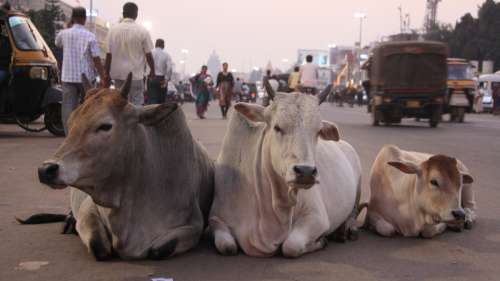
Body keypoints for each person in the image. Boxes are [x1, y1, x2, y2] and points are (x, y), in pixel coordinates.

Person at [55, 7, 106, 135]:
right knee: (89, 108)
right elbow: (96, 58)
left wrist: (68, 26)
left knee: (68, 109)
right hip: (86, 79)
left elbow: (58, 44)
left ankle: (69, 136)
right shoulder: (90, 36)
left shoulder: (63, 34)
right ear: (84, 19)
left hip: (68, 77)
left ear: (72, 18)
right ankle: (87, 135)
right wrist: (103, 75)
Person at [105, 2, 155, 106]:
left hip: (118, 77)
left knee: (119, 105)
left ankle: (121, 122)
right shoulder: (143, 31)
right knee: (136, 105)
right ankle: (135, 122)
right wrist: (152, 71)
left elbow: (108, 55)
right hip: (136, 76)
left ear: (123, 14)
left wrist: (106, 74)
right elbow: (148, 55)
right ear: (136, 15)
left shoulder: (112, 31)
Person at [146, 38, 172, 104]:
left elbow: (144, 65)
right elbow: (169, 68)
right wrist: (166, 79)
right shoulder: (167, 55)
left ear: (155, 44)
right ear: (163, 45)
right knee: (161, 100)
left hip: (151, 77)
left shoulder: (150, 53)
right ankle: (159, 113)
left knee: (151, 98)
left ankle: (151, 112)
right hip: (161, 79)